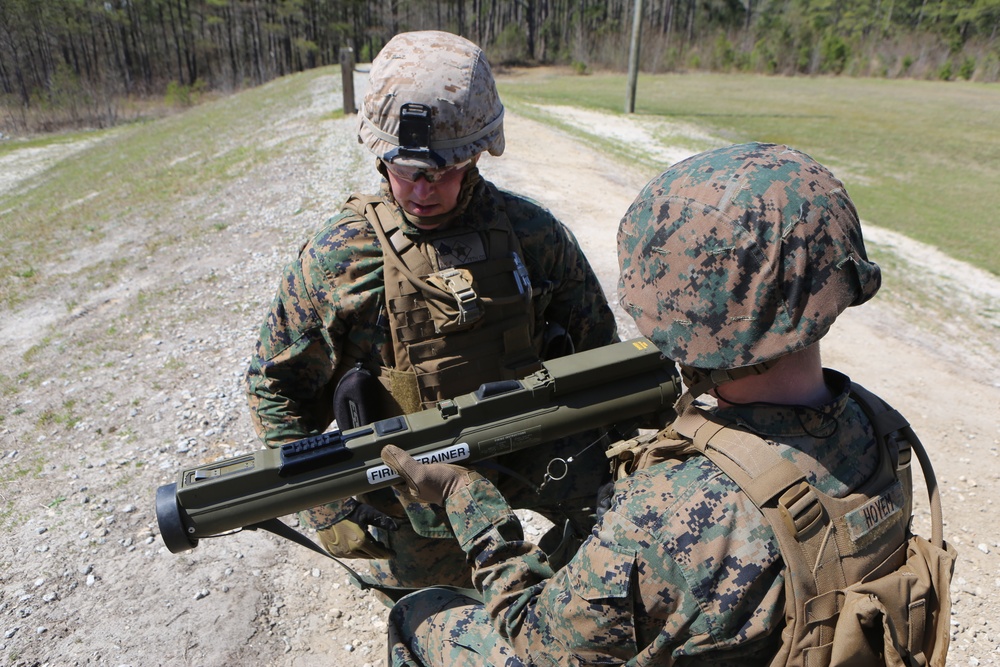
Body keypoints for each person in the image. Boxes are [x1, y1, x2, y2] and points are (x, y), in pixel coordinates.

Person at [379, 142, 927, 665]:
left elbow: (536, 641)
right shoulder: (879, 427)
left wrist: (463, 496)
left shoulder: (673, 510)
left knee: (420, 614)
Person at [243, 30, 619, 596]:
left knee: (611, 574)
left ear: (478, 152)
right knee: (436, 615)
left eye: (446, 169)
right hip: (415, 497)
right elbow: (276, 387)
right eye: (406, 169)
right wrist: (331, 505)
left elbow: (599, 356)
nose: (424, 190)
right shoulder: (340, 259)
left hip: (539, 457)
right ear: (378, 154)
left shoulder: (533, 235)